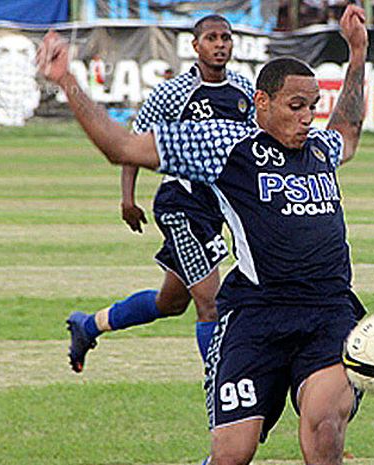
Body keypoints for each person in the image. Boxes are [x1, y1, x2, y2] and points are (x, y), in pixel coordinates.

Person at [38, 3, 367, 463]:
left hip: (327, 313)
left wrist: (357, 54)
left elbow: (348, 130)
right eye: (296, 107)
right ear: (263, 103)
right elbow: (123, 146)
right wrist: (67, 81)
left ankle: (93, 324)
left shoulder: (320, 146)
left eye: (312, 107)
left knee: (325, 427)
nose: (308, 117)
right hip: (256, 315)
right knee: (233, 453)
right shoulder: (223, 145)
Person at [65, 15, 255, 373]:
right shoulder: (172, 93)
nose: (220, 44)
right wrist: (127, 199)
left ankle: (87, 326)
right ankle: (222, 387)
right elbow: (133, 143)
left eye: (226, 38)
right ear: (195, 46)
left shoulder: (245, 91)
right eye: (211, 38)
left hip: (216, 210)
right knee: (210, 304)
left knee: (170, 302)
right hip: (181, 204)